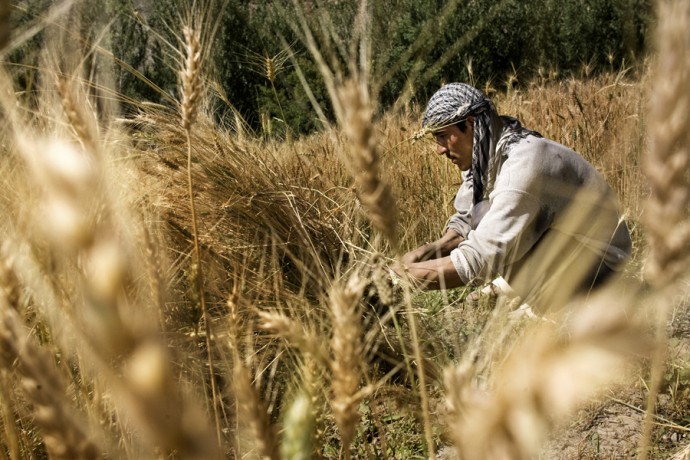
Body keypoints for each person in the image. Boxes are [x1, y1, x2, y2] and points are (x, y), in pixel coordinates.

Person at [393, 83, 631, 305]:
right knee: (490, 220)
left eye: (444, 136)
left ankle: (552, 305)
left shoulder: (524, 164)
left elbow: (480, 258)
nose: (439, 150)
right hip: (566, 259)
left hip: (601, 267)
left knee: (506, 240)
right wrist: (425, 252)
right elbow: (467, 222)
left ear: (471, 123)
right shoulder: (486, 155)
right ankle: (518, 292)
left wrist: (396, 279)